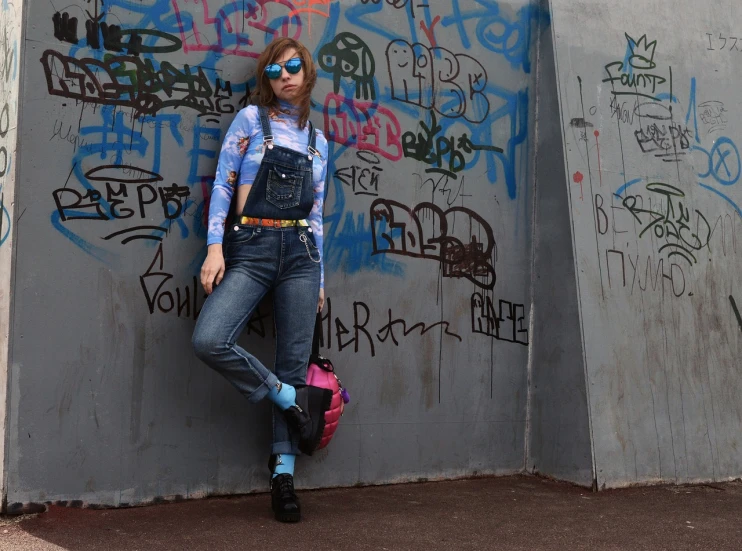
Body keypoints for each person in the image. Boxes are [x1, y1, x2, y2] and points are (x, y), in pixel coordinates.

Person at [192, 37, 330, 523]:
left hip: (301, 255)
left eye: (293, 66)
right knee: (210, 338)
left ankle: (283, 479)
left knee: (294, 358)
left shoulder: (319, 141)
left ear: (307, 72)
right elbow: (225, 181)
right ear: (266, 79)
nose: (285, 76)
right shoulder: (251, 121)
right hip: (250, 249)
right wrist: (214, 247)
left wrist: (320, 279)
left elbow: (316, 216)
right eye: (275, 70)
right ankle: (285, 396)